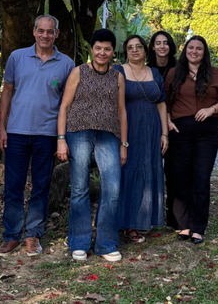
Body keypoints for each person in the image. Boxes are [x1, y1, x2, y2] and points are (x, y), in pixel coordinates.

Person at [0, 15, 75, 257]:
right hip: (17, 132)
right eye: (41, 31)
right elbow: (6, 92)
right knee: (13, 186)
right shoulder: (17, 57)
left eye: (50, 31)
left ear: (57, 34)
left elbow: (67, 103)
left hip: (47, 135)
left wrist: (62, 137)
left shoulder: (67, 63)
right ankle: (11, 236)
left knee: (41, 186)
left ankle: (33, 235)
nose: (45, 35)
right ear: (34, 32)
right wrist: (2, 127)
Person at [57, 29, 129, 262]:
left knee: (113, 188)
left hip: (109, 135)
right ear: (92, 49)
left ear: (113, 52)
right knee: (79, 188)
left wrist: (124, 144)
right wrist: (61, 140)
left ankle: (106, 243)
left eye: (107, 48)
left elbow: (121, 111)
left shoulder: (117, 76)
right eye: (98, 47)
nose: (102, 52)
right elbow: (64, 107)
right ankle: (79, 241)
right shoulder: (78, 72)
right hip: (78, 132)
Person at [165, 36, 218, 244]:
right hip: (180, 131)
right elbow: (164, 101)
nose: (194, 51)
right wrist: (167, 122)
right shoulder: (174, 73)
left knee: (201, 179)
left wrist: (211, 109)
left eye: (199, 48)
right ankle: (184, 224)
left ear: (204, 52)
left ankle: (198, 227)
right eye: (191, 48)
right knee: (181, 178)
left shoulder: (215, 74)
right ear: (185, 51)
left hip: (207, 132)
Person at [115, 35, 168, 242]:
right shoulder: (118, 71)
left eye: (139, 47)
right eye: (130, 47)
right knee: (128, 171)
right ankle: (127, 223)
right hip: (128, 129)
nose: (135, 50)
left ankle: (143, 218)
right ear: (125, 52)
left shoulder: (154, 73)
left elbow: (161, 103)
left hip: (152, 130)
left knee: (148, 169)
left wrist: (165, 133)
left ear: (146, 51)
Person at [147, 30, 179, 229]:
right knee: (150, 168)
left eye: (165, 43)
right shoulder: (145, 68)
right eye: (158, 43)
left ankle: (173, 217)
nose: (161, 46)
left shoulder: (179, 68)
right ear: (152, 47)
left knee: (173, 171)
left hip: (174, 123)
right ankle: (149, 214)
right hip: (150, 123)